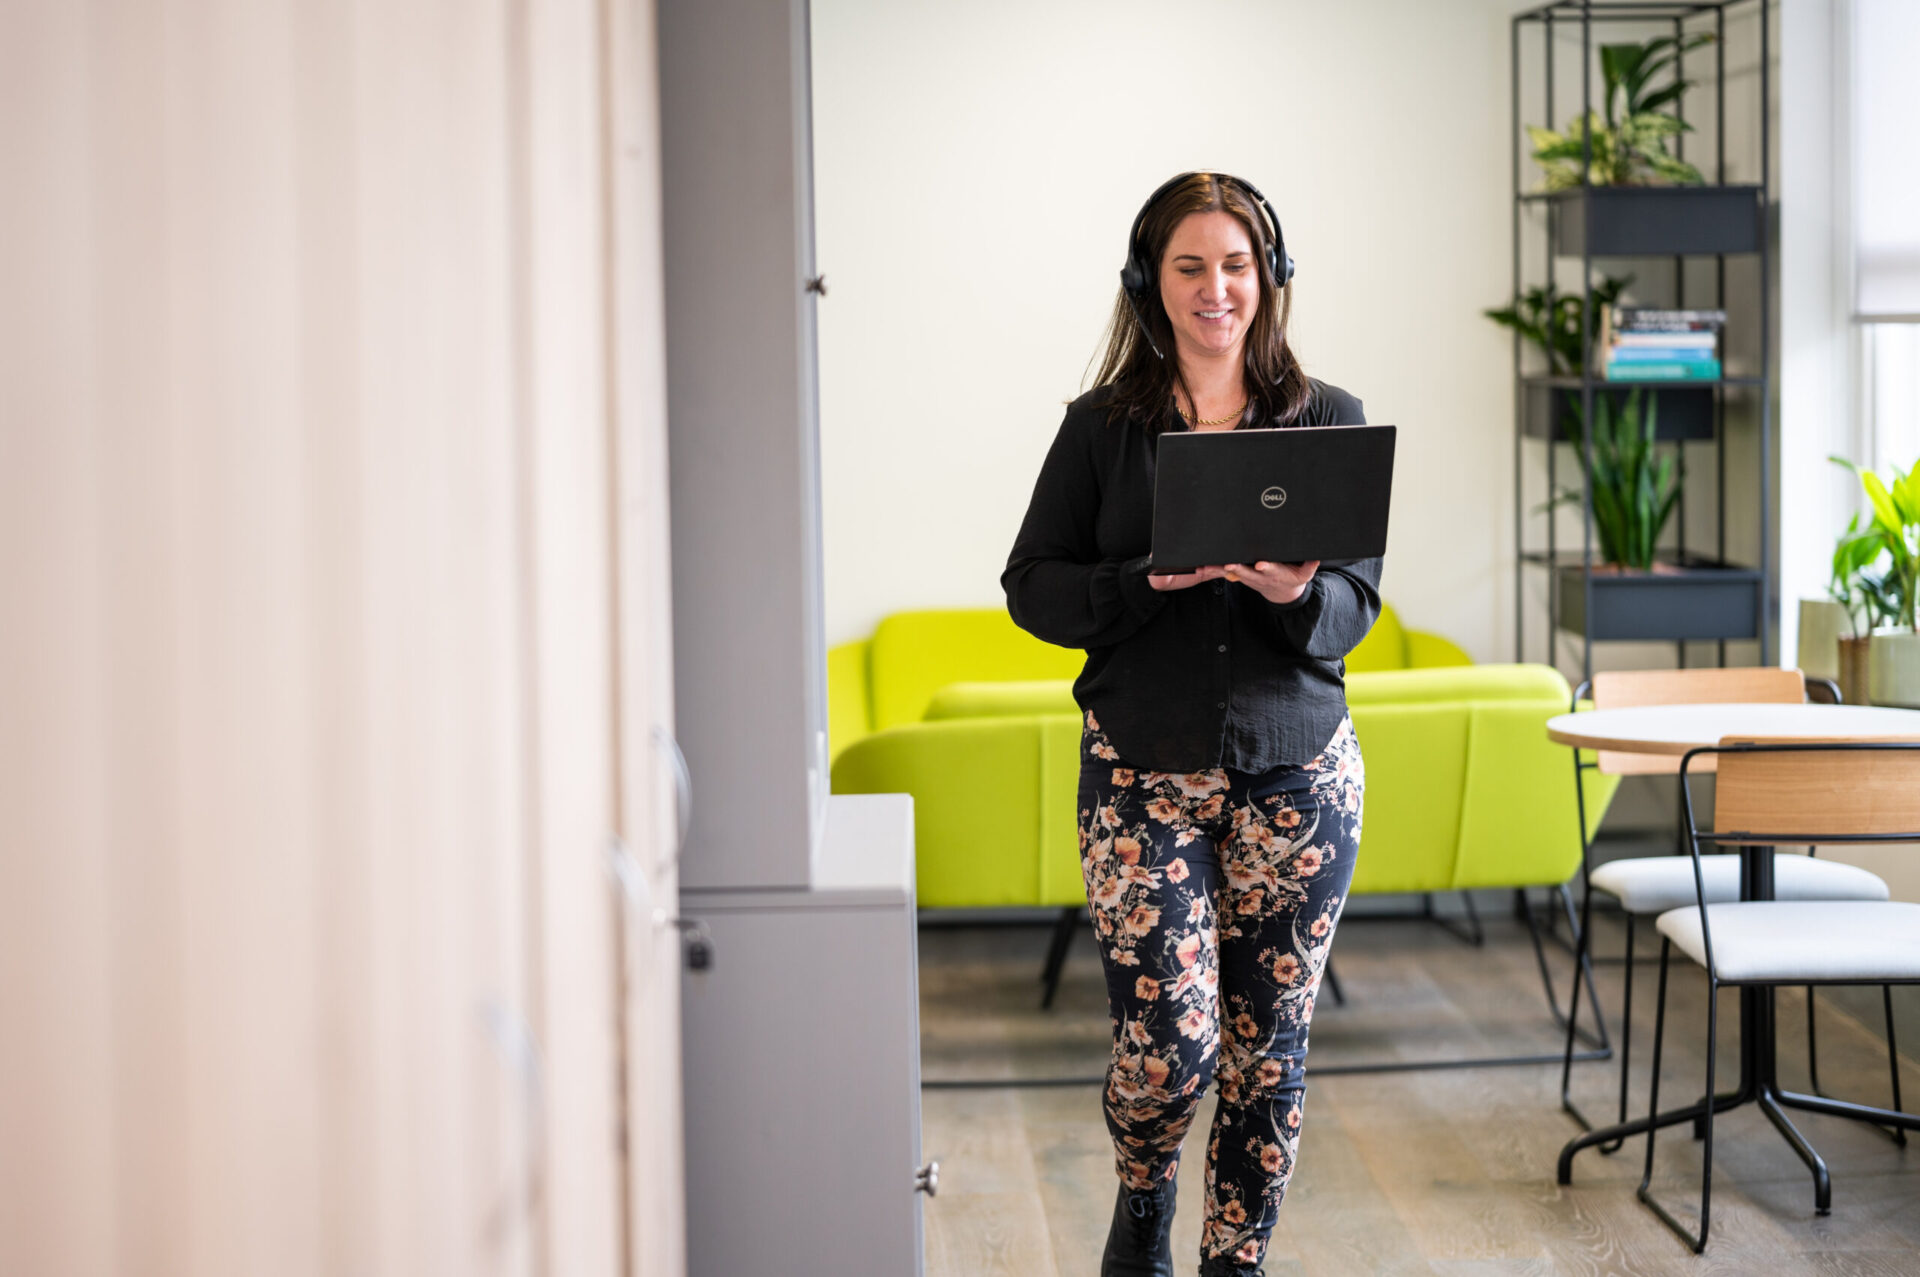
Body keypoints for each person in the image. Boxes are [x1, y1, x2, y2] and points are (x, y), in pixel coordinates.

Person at [1000, 171, 1379, 1277]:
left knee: (1270, 1055)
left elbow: (1351, 609)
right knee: (1169, 1050)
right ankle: (1142, 1194)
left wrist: (1289, 592)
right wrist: (1141, 582)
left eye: (1236, 264)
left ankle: (1233, 1261)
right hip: (1140, 774)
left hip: (1298, 777)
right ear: (1149, 282)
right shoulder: (1099, 431)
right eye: (1190, 265)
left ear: (1269, 278)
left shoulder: (1331, 420)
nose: (1217, 287)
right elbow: (1031, 586)